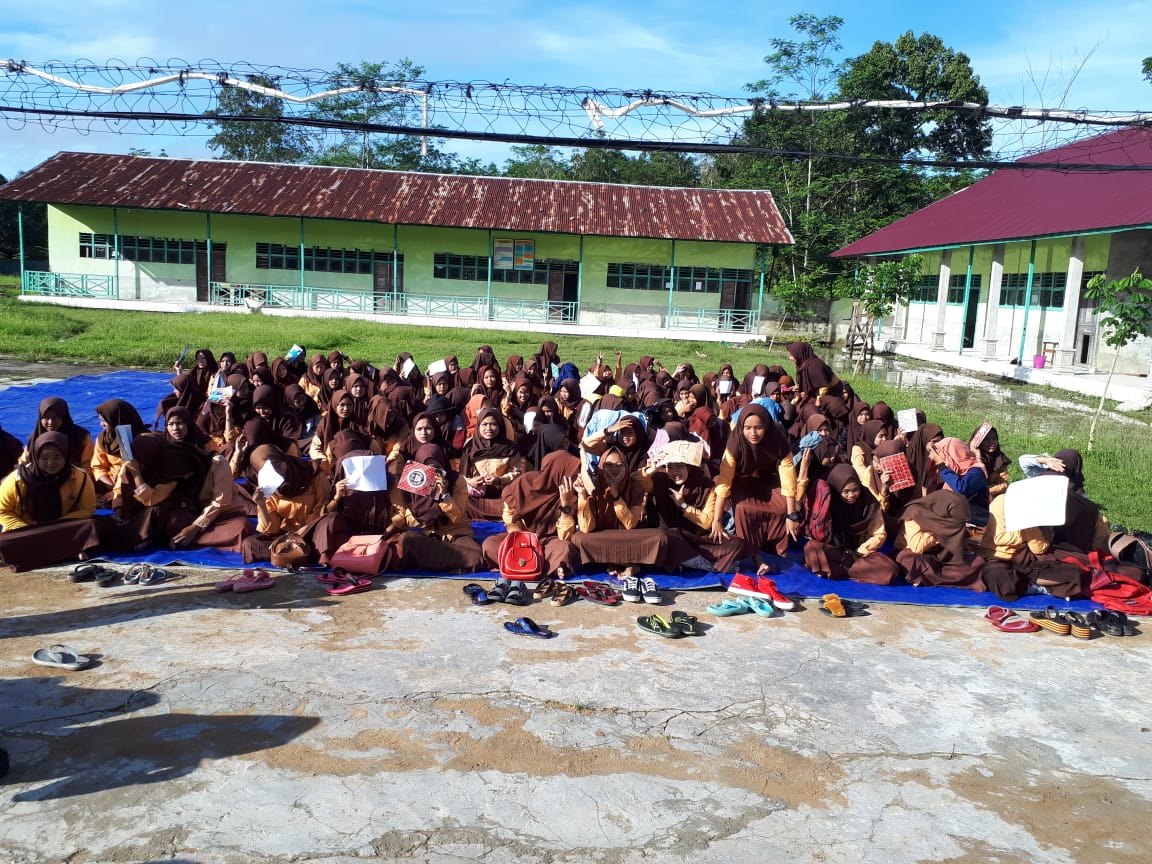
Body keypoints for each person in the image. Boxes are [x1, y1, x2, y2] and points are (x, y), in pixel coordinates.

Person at [711, 404, 800, 574]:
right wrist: (716, 521)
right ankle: (756, 555)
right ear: (741, 427)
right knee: (745, 508)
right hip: (740, 481)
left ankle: (773, 546)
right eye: (748, 428)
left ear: (766, 426)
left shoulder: (777, 440)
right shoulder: (734, 445)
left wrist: (791, 514)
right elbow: (723, 483)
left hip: (767, 479)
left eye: (758, 428)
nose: (753, 433)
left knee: (781, 506)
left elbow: (788, 477)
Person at [0, 432, 100, 571]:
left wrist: (57, 524)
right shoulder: (17, 479)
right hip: (26, 530)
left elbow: (88, 508)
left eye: (57, 457)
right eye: (44, 458)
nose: (50, 463)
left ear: (66, 456)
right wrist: (27, 530)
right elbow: (2, 511)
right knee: (3, 542)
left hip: (63, 527)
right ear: (35, 457)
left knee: (91, 525)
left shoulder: (80, 477)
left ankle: (44, 551)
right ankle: (68, 550)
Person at [569, 446, 671, 580]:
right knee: (579, 539)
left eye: (619, 465)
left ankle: (611, 561)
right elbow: (586, 528)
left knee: (660, 537)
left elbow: (630, 524)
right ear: (601, 467)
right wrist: (582, 495)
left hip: (628, 538)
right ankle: (626, 563)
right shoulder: (594, 487)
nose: (614, 469)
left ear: (626, 467)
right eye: (609, 465)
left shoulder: (635, 487)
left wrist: (616, 496)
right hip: (602, 539)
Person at [481, 449, 582, 580]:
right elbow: (509, 515)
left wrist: (565, 505)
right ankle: (543, 567)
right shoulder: (526, 482)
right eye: (573, 473)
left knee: (565, 549)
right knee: (490, 544)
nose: (576, 477)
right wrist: (522, 542)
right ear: (557, 470)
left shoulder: (571, 495)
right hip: (521, 537)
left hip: (549, 541)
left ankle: (516, 565)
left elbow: (564, 537)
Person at [804, 465, 900, 585]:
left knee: (889, 569)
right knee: (812, 548)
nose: (851, 495)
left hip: (859, 555)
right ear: (837, 489)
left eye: (855, 490)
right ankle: (846, 570)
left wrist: (859, 552)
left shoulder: (869, 503)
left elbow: (878, 534)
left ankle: (835, 570)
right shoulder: (828, 502)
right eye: (845, 491)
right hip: (835, 551)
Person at [894, 490, 986, 590]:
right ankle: (955, 579)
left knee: (979, 561)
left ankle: (932, 578)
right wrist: (943, 531)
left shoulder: (950, 521)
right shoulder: (914, 512)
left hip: (945, 555)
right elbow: (917, 546)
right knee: (908, 559)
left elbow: (958, 543)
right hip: (920, 555)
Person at [459, 408, 525, 520]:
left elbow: (516, 472)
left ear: (500, 426)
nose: (488, 428)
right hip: (476, 497)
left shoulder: (509, 448)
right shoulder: (470, 446)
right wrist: (470, 482)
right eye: (484, 424)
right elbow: (461, 473)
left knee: (513, 504)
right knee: (462, 500)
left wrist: (499, 480)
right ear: (478, 426)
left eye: (493, 424)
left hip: (501, 495)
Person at [91, 399, 148, 503]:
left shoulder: (139, 440)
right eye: (101, 421)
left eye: (105, 421)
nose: (101, 425)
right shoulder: (103, 439)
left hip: (131, 485)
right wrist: (110, 486)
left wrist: (117, 492)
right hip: (109, 483)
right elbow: (98, 466)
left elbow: (132, 469)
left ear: (117, 420)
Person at [25, 396, 94, 472]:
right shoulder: (35, 438)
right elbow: (25, 462)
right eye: (46, 418)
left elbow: (88, 465)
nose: (50, 422)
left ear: (64, 417)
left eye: (55, 418)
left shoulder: (81, 437)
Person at [930, 437, 989, 525]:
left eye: (943, 455)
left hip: (977, 520)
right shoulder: (954, 470)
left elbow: (961, 488)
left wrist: (942, 466)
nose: (942, 459)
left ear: (952, 455)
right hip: (961, 518)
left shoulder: (976, 471)